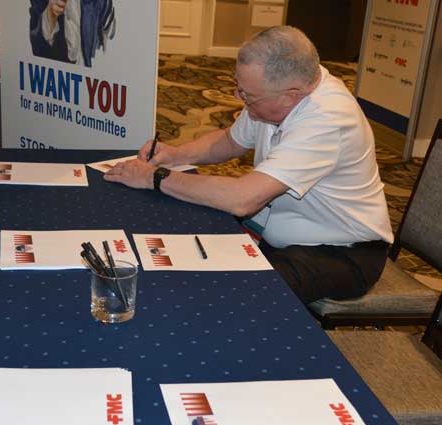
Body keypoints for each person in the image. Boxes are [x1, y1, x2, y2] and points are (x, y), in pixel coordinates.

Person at [104, 26, 394, 305]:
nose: (237, 99)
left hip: (341, 253)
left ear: (291, 95)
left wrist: (155, 177)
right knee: (190, 237)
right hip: (282, 232)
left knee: (235, 292)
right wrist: (175, 155)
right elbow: (230, 141)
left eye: (247, 96)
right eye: (238, 88)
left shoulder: (327, 121)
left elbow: (242, 199)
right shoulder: (275, 98)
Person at [29, 0, 116, 67]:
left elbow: (111, 36)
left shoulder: (101, 2)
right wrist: (50, 15)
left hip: (91, 78)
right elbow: (36, 47)